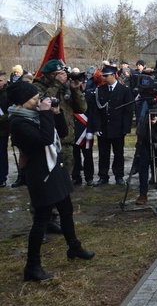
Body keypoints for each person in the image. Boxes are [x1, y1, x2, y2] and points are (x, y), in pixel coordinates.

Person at [8, 81, 95, 281]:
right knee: (41, 221)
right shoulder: (18, 122)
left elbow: (62, 133)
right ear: (22, 102)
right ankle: (32, 266)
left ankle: (74, 247)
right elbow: (45, 139)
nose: (38, 99)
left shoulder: (37, 115)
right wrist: (46, 113)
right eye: (34, 98)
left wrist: (55, 113)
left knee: (67, 211)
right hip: (41, 175)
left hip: (55, 169)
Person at [33, 59, 88, 178]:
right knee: (50, 176)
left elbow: (82, 108)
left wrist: (75, 89)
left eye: (61, 72)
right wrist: (56, 84)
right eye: (55, 73)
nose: (60, 76)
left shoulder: (66, 86)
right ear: (47, 74)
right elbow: (43, 104)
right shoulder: (37, 87)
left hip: (66, 137)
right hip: (48, 137)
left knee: (66, 175)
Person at [89, 65, 133, 185]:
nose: (104, 78)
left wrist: (126, 128)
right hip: (104, 127)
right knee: (103, 153)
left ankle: (119, 175)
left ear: (113, 75)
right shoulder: (100, 90)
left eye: (106, 76)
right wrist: (96, 127)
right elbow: (96, 110)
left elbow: (128, 111)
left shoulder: (124, 90)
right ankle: (103, 176)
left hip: (118, 127)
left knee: (118, 153)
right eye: (103, 76)